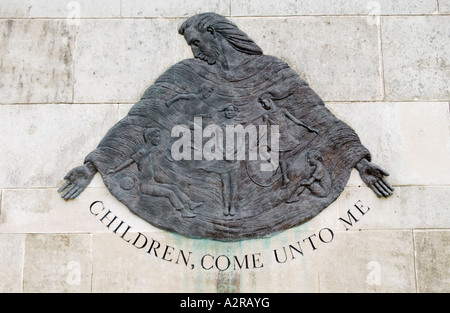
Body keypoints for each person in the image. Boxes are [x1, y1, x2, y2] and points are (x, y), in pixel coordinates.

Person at [58, 12, 393, 211]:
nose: (195, 51)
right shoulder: (184, 75)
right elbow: (140, 120)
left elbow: (317, 116)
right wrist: (94, 164)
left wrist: (358, 161)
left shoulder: (271, 70)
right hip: (203, 188)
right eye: (191, 46)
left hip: (269, 191)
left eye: (197, 43)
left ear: (214, 34)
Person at [108, 128, 202, 218]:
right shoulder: (142, 151)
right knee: (170, 193)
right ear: (149, 138)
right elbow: (129, 161)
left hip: (152, 182)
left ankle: (190, 204)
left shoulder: (150, 151)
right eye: (156, 137)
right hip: (146, 186)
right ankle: (183, 212)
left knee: (174, 187)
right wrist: (115, 170)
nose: (158, 139)